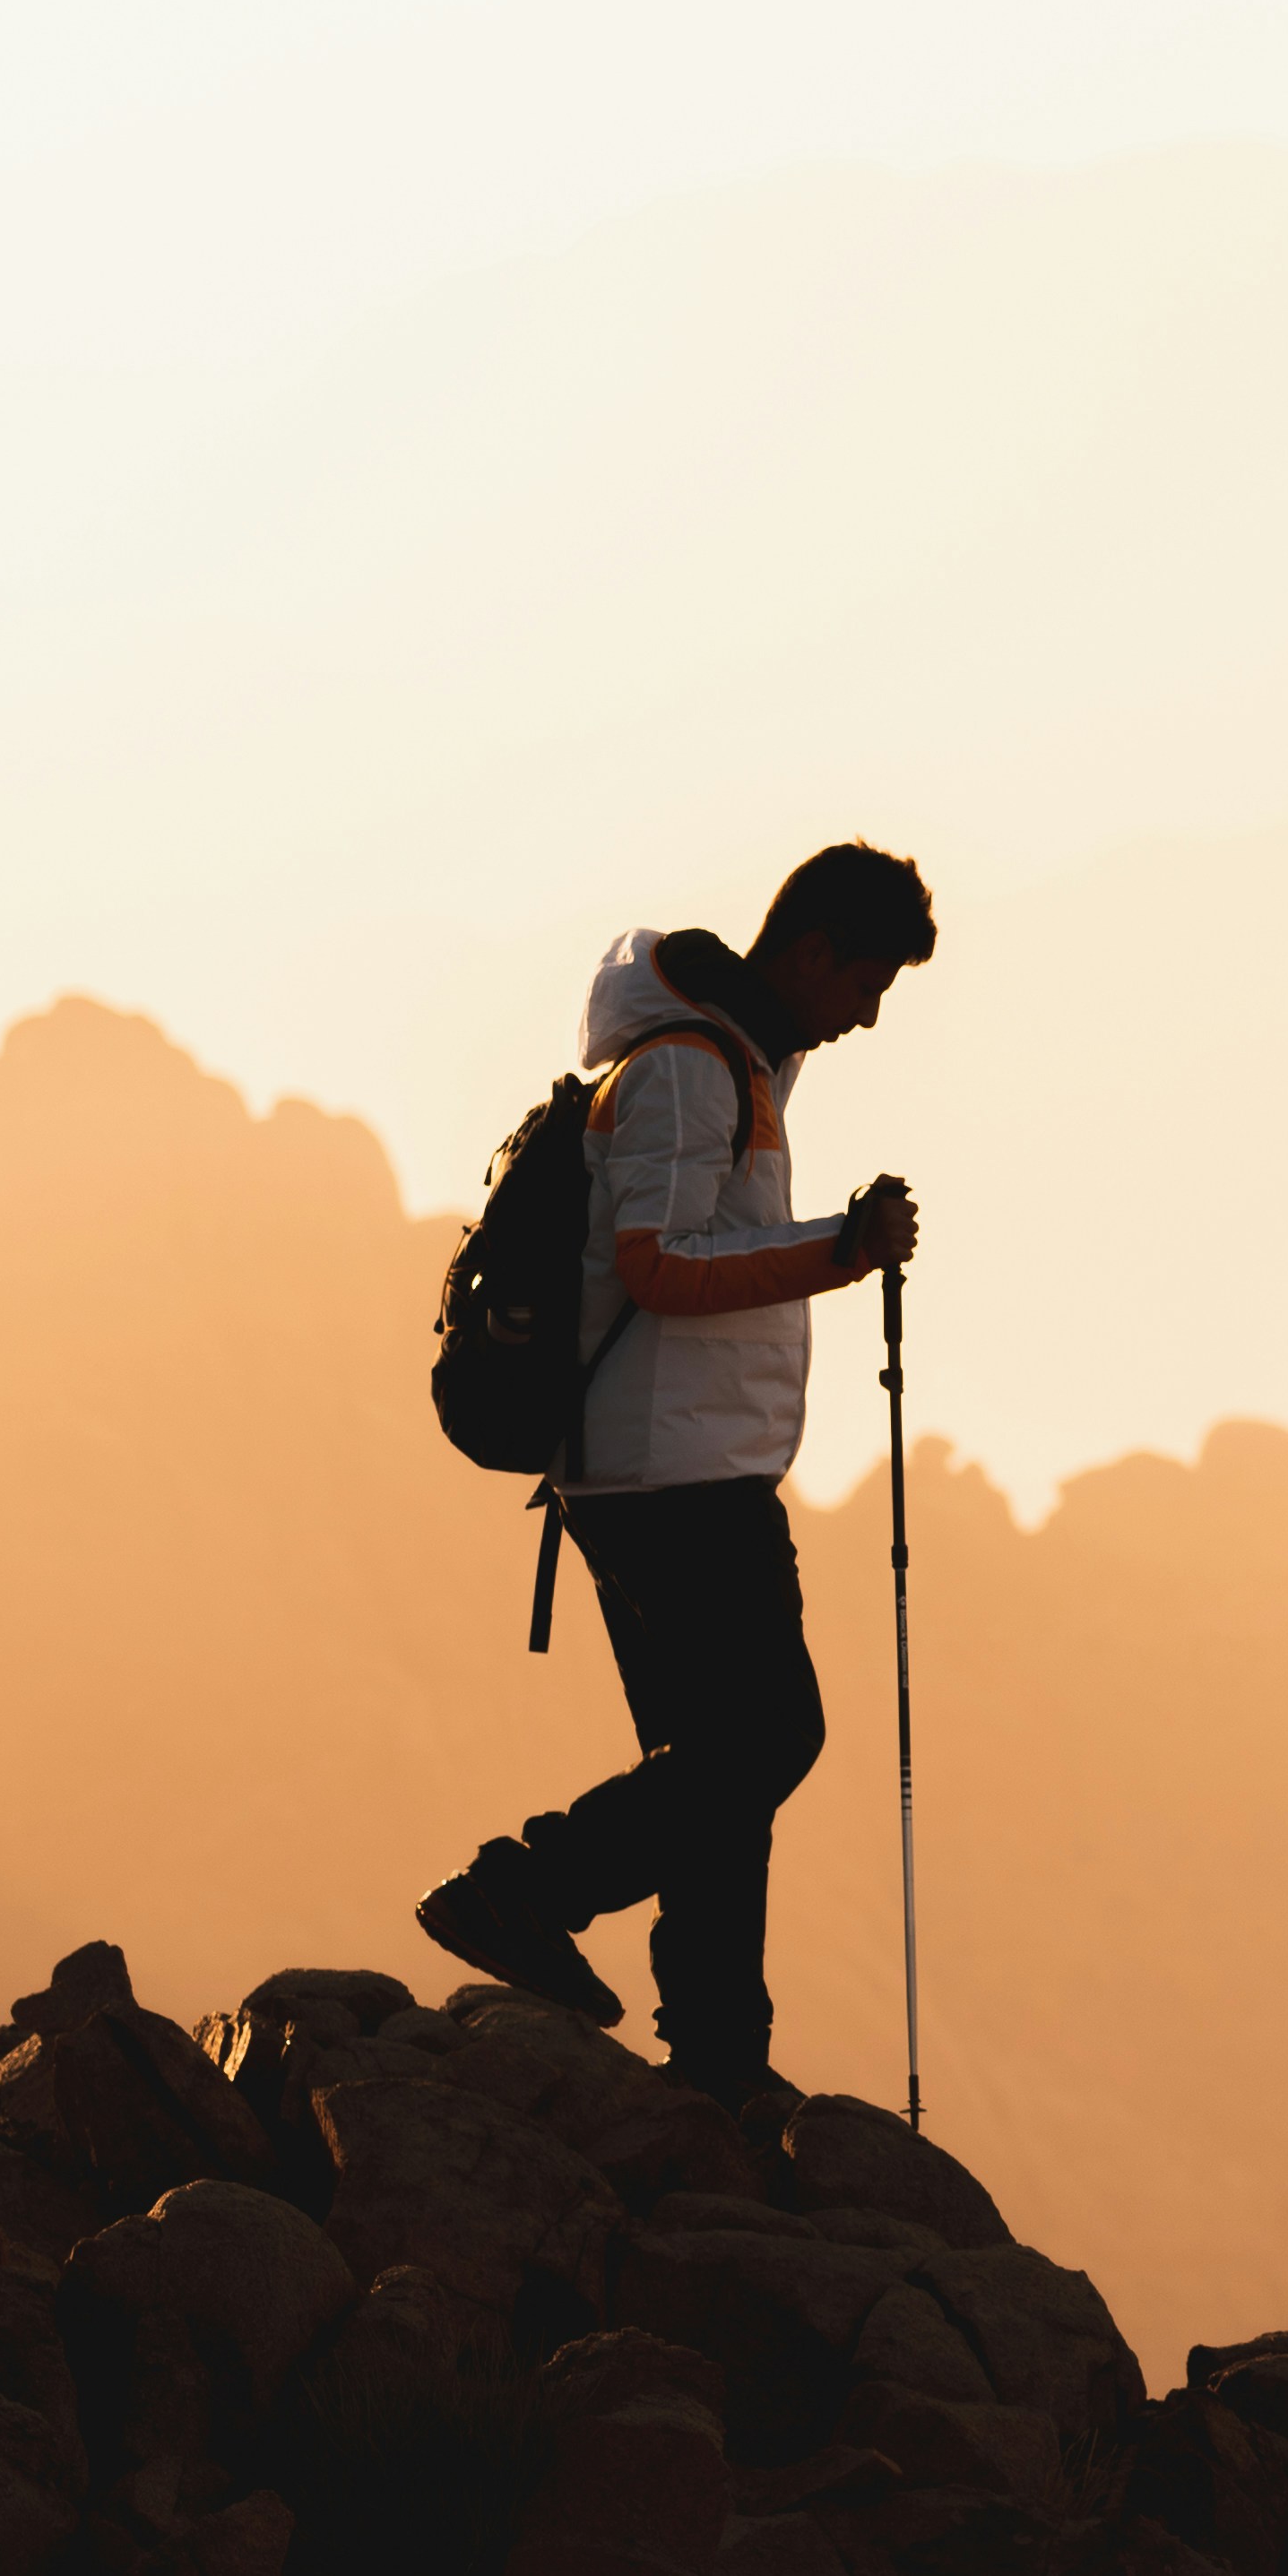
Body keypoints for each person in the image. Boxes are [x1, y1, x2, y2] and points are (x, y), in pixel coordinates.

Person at [413, 843, 935, 2111]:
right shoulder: (688, 1077)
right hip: (670, 1475)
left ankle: (716, 2056)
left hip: (673, 1464)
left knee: (710, 1765)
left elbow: (692, 1221)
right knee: (770, 1735)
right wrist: (840, 1248)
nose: (867, 1018)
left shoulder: (736, 1059)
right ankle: (524, 1888)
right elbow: (658, 1265)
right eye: (865, 984)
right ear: (811, 952)